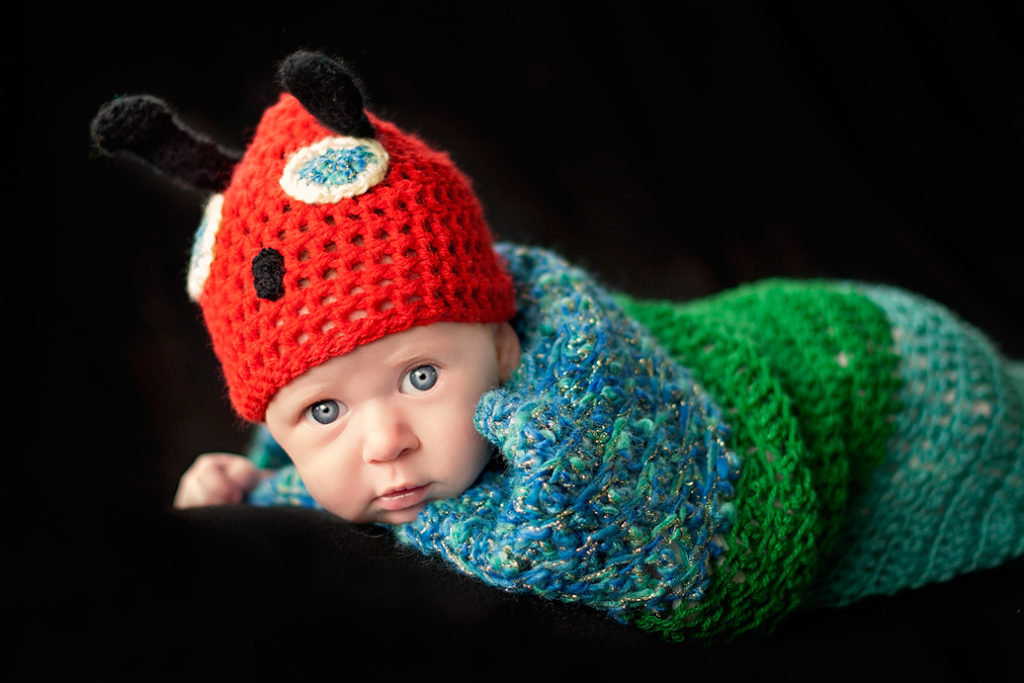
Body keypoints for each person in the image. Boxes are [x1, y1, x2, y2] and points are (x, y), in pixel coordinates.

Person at [91, 50, 1023, 643]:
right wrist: (252, 489)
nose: (385, 443)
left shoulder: (580, 418)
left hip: (882, 366)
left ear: (501, 341)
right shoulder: (323, 465)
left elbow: (678, 535)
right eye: (322, 411)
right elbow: (291, 493)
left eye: (421, 376)